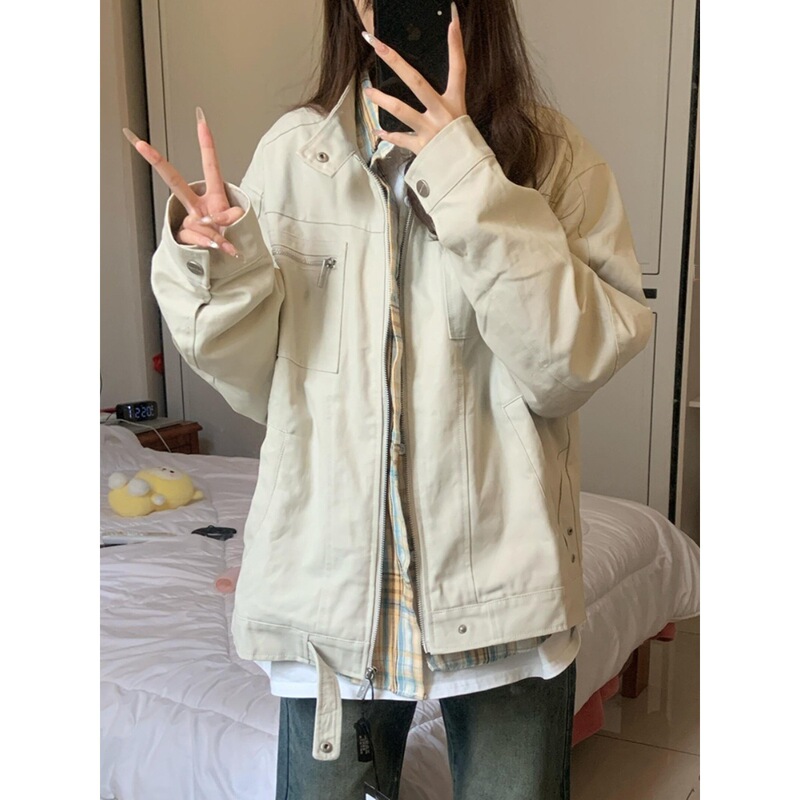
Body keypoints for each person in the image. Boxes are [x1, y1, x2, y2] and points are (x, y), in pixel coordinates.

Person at [126, 1, 653, 797]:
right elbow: (260, 383)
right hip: (332, 600)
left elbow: (569, 364)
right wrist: (220, 270)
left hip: (507, 597)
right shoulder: (296, 154)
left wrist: (465, 174)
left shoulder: (549, 158)